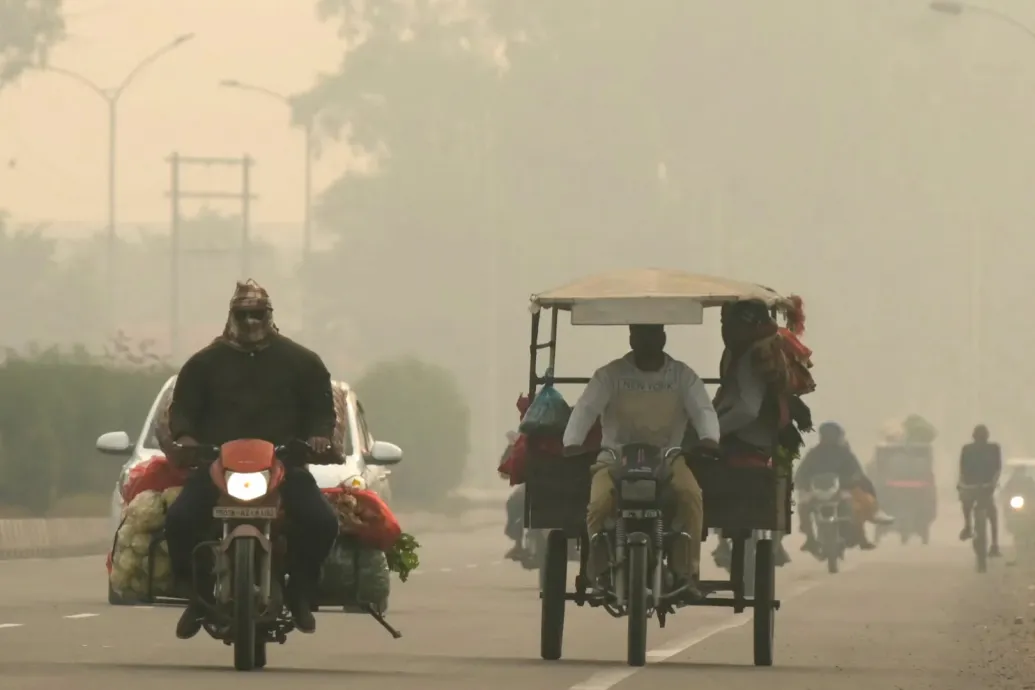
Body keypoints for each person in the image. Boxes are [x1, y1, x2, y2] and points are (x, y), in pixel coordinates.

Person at [164, 280, 341, 640]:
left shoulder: (302, 362)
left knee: (323, 522)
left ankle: (301, 590)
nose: (249, 322)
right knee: (179, 519)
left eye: (256, 314)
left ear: (269, 315)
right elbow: (182, 410)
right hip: (218, 466)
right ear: (231, 316)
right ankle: (196, 596)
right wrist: (185, 438)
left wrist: (319, 437)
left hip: (284, 465)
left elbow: (322, 410)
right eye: (243, 315)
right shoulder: (203, 363)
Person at [562, 324, 721, 599]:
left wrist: (709, 437)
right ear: (631, 338)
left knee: (690, 496)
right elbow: (586, 407)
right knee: (599, 505)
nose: (647, 342)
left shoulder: (682, 376)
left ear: (663, 338)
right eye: (640, 335)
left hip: (667, 455)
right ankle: (599, 572)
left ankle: (686, 572)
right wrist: (571, 441)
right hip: (614, 455)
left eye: (652, 335)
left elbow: (702, 409)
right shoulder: (611, 375)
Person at [709, 298, 816, 568]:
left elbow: (746, 409)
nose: (723, 328)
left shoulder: (752, 353)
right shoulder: (745, 349)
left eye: (726, 322)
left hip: (748, 436)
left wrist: (709, 432)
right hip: (760, 432)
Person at [796, 422, 894, 553]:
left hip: (842, 489)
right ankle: (810, 539)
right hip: (817, 491)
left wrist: (853, 479)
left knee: (855, 509)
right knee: (803, 507)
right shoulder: (814, 453)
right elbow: (802, 471)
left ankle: (862, 537)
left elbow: (856, 470)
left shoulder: (844, 453)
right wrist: (801, 482)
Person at [957, 424, 1002, 557]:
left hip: (976, 487)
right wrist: (993, 481)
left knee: (968, 505)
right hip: (984, 487)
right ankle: (994, 544)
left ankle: (968, 527)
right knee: (992, 515)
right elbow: (998, 468)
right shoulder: (993, 448)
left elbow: (962, 470)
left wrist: (962, 483)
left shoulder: (968, 449)